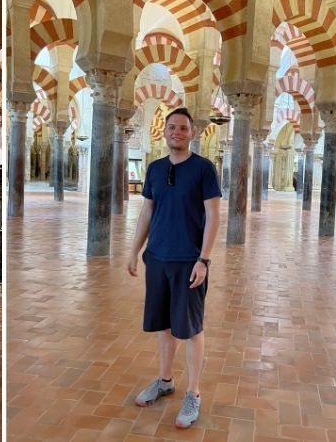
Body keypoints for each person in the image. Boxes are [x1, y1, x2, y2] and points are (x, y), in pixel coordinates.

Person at [126, 107, 221, 429]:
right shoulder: (154, 169)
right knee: (165, 326)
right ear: (163, 132)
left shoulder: (204, 169)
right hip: (158, 258)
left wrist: (204, 259)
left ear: (192, 133)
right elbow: (146, 213)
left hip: (188, 261)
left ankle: (194, 392)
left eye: (182, 128)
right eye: (171, 127)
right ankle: (165, 380)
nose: (176, 132)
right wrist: (135, 250)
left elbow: (213, 216)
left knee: (191, 329)